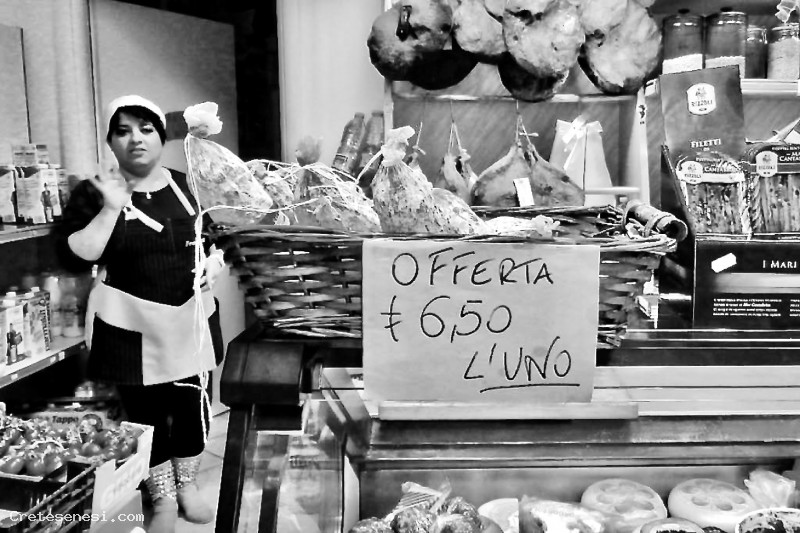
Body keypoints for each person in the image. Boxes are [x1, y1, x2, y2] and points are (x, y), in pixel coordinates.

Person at [56, 95, 225, 533]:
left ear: (161, 136)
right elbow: (75, 254)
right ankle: (162, 495)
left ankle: (188, 484)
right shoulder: (93, 192)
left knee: (191, 407)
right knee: (144, 414)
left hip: (189, 318)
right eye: (123, 130)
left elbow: (219, 237)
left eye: (146, 129)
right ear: (110, 141)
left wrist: (215, 261)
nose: (136, 138)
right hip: (128, 326)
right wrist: (111, 207)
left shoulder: (189, 186)